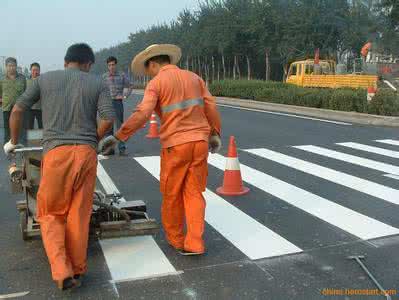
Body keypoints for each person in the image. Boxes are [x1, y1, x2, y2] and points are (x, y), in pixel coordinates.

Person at [4, 43, 115, 290]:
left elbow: (17, 109)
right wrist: (92, 140)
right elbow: (108, 118)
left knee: (51, 212)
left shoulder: (44, 79)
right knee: (79, 214)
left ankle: (62, 271)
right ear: (87, 64)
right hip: (86, 154)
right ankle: (77, 269)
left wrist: (13, 142)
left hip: (56, 153)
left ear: (66, 62)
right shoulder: (96, 82)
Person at [99, 44, 222, 255]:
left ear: (154, 64)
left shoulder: (156, 83)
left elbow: (142, 113)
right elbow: (210, 105)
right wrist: (215, 134)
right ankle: (195, 243)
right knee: (194, 193)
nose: (148, 75)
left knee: (172, 193)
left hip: (176, 145)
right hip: (200, 142)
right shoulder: (195, 78)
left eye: (148, 71)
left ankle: (176, 240)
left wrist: (118, 136)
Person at [102, 56, 131, 156]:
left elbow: (129, 85)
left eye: (113, 64)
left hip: (118, 102)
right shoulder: (104, 77)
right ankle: (110, 149)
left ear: (116, 64)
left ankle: (122, 149)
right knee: (108, 128)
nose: (111, 67)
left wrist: (125, 95)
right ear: (107, 66)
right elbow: (100, 90)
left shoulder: (122, 75)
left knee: (120, 127)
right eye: (109, 65)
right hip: (107, 104)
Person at [0, 57, 27, 146]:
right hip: (6, 108)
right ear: (6, 67)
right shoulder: (2, 79)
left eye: (13, 65)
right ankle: (8, 147)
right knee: (7, 129)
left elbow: (26, 92)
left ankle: (21, 146)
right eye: (9, 66)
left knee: (20, 127)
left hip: (19, 108)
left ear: (16, 66)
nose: (11, 67)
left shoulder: (22, 78)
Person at [27, 62, 43, 129]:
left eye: (37, 70)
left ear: (39, 71)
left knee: (41, 126)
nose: (35, 72)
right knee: (29, 127)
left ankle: (43, 139)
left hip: (40, 108)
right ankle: (30, 139)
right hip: (29, 108)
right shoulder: (27, 81)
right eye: (33, 70)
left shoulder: (43, 81)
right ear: (30, 71)